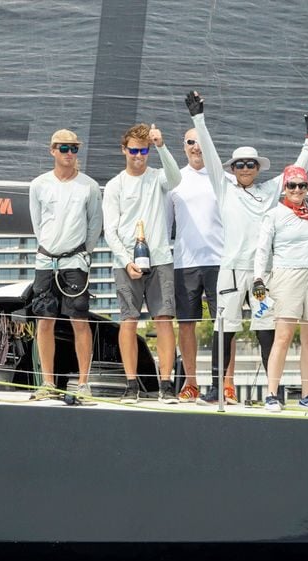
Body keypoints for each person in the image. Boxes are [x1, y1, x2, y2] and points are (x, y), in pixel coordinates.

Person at [184, 91, 308, 405]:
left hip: (261, 274)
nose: (245, 168)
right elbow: (212, 155)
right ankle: (217, 388)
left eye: (250, 164)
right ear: (233, 169)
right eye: (240, 164)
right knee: (224, 330)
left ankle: (274, 391)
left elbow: (295, 172)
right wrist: (197, 118)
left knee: (266, 332)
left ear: (257, 168)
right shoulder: (224, 187)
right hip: (230, 271)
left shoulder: (270, 191)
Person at [254, 150, 308, 412]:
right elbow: (262, 250)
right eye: (292, 185)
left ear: (306, 187)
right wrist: (259, 278)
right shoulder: (274, 214)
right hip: (285, 274)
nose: (297, 189)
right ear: (285, 187)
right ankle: (271, 394)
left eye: (302, 185)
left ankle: (306, 395)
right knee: (282, 338)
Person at [103, 122, 182, 404]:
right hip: (127, 262)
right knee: (128, 321)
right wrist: (125, 262)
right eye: (134, 150)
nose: (139, 155)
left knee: (163, 321)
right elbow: (109, 230)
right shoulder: (114, 186)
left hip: (160, 258)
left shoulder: (158, 177)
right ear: (123, 150)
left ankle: (167, 385)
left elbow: (176, 180)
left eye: (144, 150)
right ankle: (131, 385)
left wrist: (161, 146)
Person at [28, 129, 102, 403]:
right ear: (52, 150)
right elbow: (38, 224)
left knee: (79, 320)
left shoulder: (89, 186)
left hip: (75, 261)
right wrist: (50, 248)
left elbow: (95, 225)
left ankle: (83, 384)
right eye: (63, 148)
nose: (69, 153)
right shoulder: (38, 185)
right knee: (44, 322)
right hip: (46, 260)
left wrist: (84, 254)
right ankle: (47, 382)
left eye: (73, 148)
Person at [165, 128, 224, 402]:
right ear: (183, 145)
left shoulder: (224, 177)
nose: (196, 148)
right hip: (184, 263)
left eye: (201, 143)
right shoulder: (173, 179)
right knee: (186, 325)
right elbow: (165, 228)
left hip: (220, 260)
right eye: (191, 142)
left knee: (224, 324)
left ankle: (226, 385)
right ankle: (191, 383)